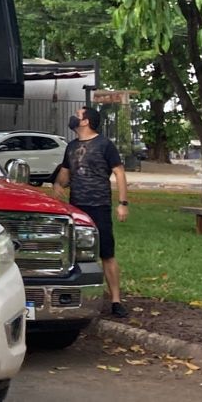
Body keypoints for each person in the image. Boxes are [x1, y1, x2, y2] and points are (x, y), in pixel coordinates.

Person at [54, 106, 130, 318]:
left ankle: (116, 300)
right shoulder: (71, 146)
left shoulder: (105, 145)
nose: (73, 117)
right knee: (75, 253)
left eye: (77, 115)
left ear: (86, 121)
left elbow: (119, 173)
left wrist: (123, 203)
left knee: (107, 253)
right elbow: (65, 173)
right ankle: (78, 295)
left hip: (99, 206)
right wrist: (58, 183)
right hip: (76, 208)